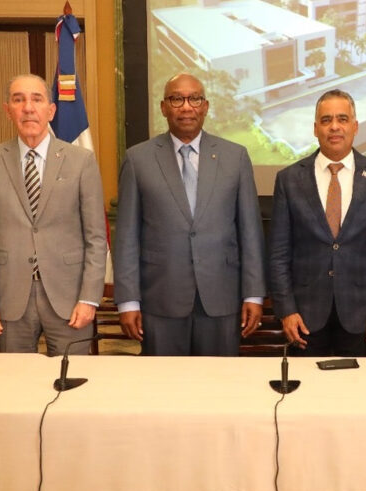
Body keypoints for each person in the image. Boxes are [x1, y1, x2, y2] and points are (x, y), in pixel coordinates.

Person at [112, 73, 266, 356]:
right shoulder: (138, 159)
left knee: (220, 380)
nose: (186, 107)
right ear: (163, 107)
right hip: (160, 300)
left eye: (194, 99)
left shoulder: (235, 157)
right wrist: (128, 301)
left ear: (205, 106)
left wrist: (254, 294)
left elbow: (250, 232)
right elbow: (126, 238)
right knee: (164, 381)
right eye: (176, 99)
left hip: (221, 298)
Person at [0, 74, 107, 356]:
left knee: (73, 378)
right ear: (7, 110)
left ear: (51, 110)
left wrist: (89, 298)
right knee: (14, 380)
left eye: (37, 99)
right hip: (10, 299)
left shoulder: (81, 161)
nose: (28, 108)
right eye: (18, 100)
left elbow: (95, 236)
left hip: (70, 298)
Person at [268, 89, 366, 356]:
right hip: (304, 316)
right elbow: (278, 253)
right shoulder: (289, 179)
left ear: (355, 126)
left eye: (342, 119)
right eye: (326, 120)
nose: (334, 127)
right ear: (315, 128)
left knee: (357, 383)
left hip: (363, 315)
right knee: (306, 383)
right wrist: (287, 310)